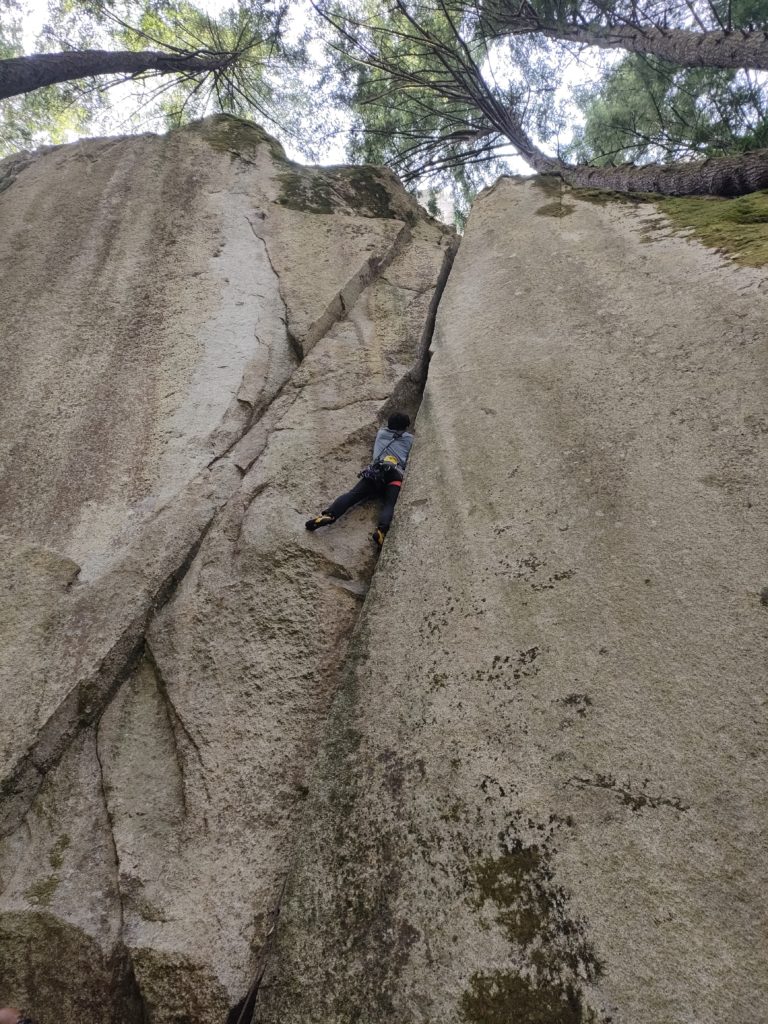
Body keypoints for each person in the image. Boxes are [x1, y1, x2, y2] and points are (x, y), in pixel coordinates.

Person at [306, 412, 414, 547]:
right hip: (395, 475)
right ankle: (381, 530)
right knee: (389, 504)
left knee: (353, 495)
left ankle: (330, 514)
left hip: (376, 473)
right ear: (405, 427)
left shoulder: (381, 433)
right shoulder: (409, 439)